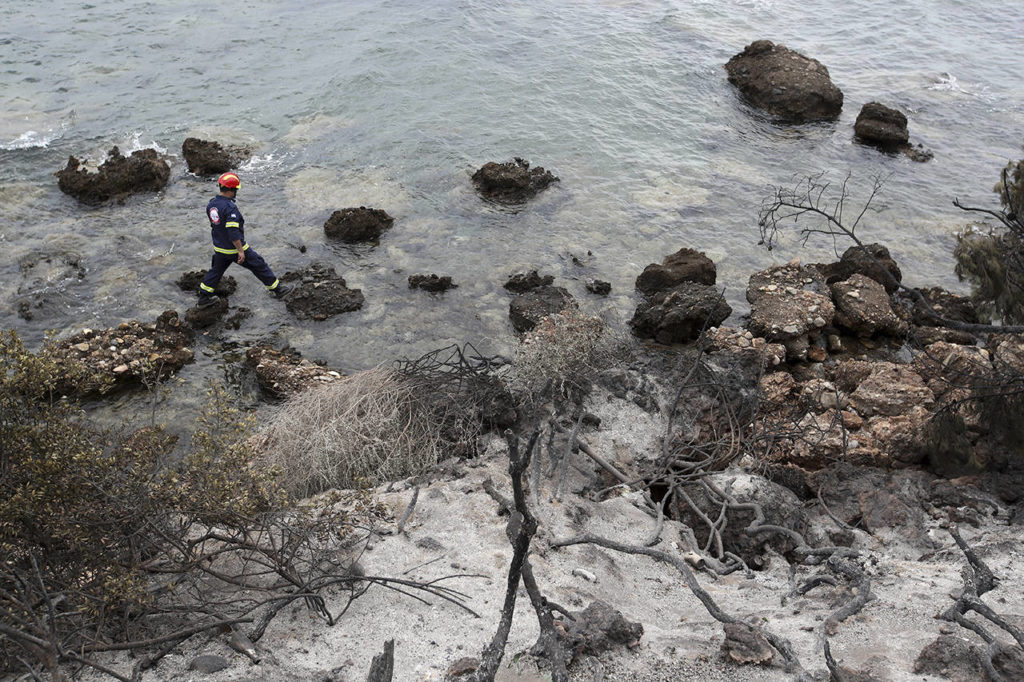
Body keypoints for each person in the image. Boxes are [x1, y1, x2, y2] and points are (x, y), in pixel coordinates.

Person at [197, 172, 290, 308]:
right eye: (236, 190)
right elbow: (233, 232)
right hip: (232, 248)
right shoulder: (230, 208)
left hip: (219, 248)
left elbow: (217, 226)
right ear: (232, 190)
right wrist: (240, 251)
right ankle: (278, 290)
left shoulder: (212, 204)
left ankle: (204, 297)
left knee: (215, 271)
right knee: (258, 265)